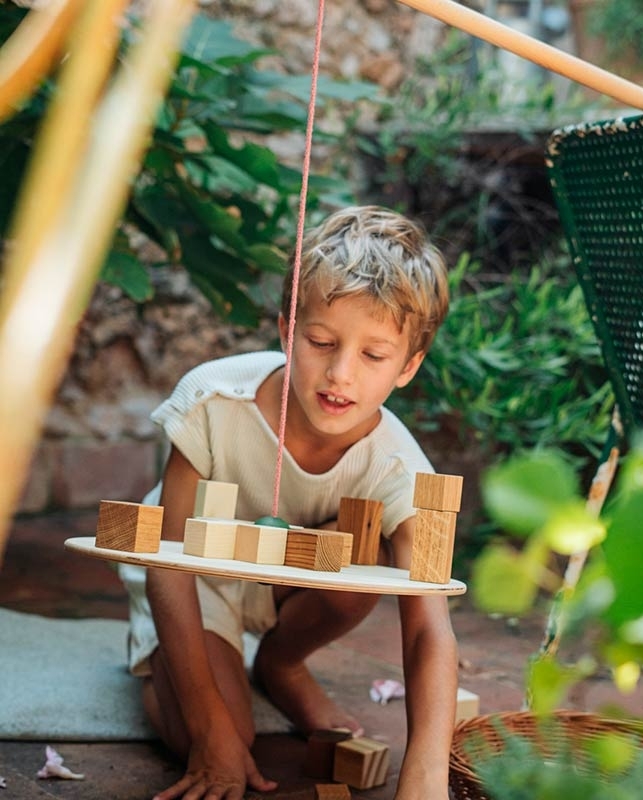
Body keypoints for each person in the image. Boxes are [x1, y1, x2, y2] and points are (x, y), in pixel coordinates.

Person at [118, 205, 458, 800]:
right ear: (286, 330)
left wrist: (425, 777)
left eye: (373, 356)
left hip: (288, 583)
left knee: (367, 549)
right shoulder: (211, 401)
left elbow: (430, 626)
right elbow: (166, 567)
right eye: (321, 341)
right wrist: (208, 727)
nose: (340, 375)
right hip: (197, 579)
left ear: (409, 366)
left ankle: (280, 664)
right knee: (224, 739)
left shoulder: (404, 470)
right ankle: (155, 665)